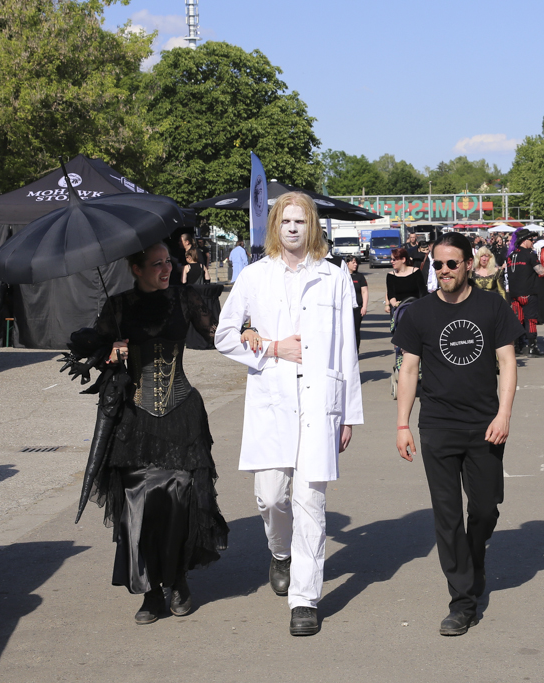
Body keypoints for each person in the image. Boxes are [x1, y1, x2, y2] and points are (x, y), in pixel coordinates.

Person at [215, 191, 363, 637]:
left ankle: (305, 599)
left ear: (311, 225)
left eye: (300, 221)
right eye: (286, 221)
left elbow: (347, 348)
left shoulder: (334, 276)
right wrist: (273, 348)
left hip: (319, 402)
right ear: (275, 226)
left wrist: (348, 413)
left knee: (310, 501)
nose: (293, 228)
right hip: (272, 399)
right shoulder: (255, 275)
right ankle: (280, 552)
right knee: (271, 496)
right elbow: (224, 335)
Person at [85, 242, 229, 624]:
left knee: (179, 497)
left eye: (168, 262)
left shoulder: (185, 298)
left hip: (181, 412)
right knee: (138, 503)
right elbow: (95, 355)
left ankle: (178, 580)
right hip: (135, 419)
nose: (166, 269)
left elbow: (216, 334)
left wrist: (247, 328)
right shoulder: (117, 307)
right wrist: (111, 353)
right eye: (156, 264)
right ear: (136, 269)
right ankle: (150, 591)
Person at [392, 232, 524, 636]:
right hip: (437, 426)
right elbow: (409, 369)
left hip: (485, 425)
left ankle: (474, 556)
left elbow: (507, 362)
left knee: (485, 509)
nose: (444, 270)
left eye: (452, 263)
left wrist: (504, 415)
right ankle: (462, 602)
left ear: (469, 264)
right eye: (438, 264)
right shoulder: (419, 313)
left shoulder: (492, 306)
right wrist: (402, 424)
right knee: (447, 516)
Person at [505, 229, 544, 357]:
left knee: (517, 320)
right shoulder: (530, 254)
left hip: (514, 294)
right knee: (531, 320)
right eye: (531, 240)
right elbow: (541, 271)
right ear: (524, 241)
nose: (533, 242)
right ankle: (532, 347)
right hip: (528, 293)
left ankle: (517, 346)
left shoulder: (510, 256)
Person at [385, 247, 427, 317]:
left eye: (394, 259)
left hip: (416, 308)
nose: (392, 261)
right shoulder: (390, 275)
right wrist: (395, 304)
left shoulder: (416, 272)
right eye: (391, 259)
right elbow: (391, 294)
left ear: (403, 259)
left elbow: (422, 292)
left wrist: (421, 306)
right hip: (399, 310)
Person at [347, 256, 368, 352]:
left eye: (356, 263)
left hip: (357, 308)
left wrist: (364, 307)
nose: (355, 264)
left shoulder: (359, 277)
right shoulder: (342, 275)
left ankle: (355, 351)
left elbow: (364, 292)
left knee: (355, 330)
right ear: (347, 263)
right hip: (345, 308)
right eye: (353, 262)